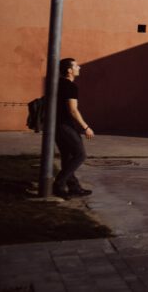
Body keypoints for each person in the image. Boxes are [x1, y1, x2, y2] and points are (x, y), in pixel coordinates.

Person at [53, 58, 94, 198]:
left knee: (67, 157)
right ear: (69, 70)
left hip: (55, 125)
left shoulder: (57, 84)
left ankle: (74, 187)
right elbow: (73, 110)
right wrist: (86, 127)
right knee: (80, 155)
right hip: (64, 125)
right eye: (76, 65)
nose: (79, 67)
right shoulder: (70, 87)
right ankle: (58, 184)